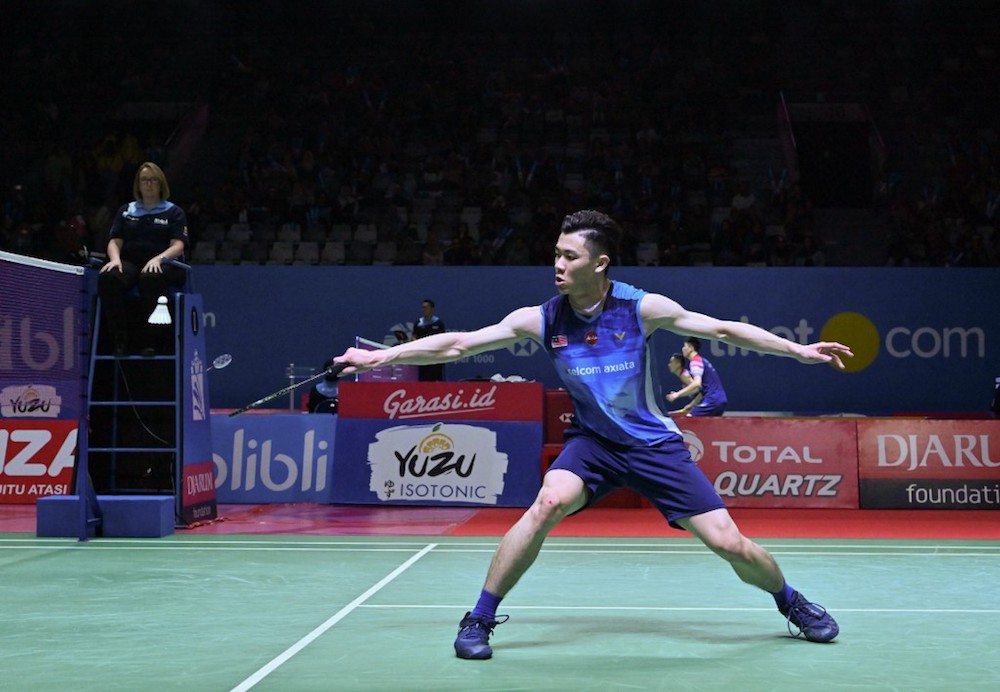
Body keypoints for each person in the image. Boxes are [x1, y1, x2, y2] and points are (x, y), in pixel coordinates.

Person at [333, 210, 853, 660]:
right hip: (593, 444)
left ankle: (791, 602)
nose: (557, 265)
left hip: (652, 445)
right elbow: (459, 346)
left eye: (569, 257)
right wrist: (380, 357)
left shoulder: (640, 308)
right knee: (545, 504)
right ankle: (479, 618)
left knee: (729, 544)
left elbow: (720, 328)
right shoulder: (541, 318)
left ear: (599, 264)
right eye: (555, 255)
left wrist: (799, 351)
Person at [98, 162, 188, 355]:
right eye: (144, 180)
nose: (149, 184)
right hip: (131, 262)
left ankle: (151, 339)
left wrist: (159, 259)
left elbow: (178, 245)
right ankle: (120, 337)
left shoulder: (173, 212)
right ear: (138, 185)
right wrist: (114, 260)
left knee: (150, 277)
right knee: (110, 277)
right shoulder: (126, 211)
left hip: (164, 263)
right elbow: (115, 241)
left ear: (161, 183)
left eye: (153, 180)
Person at [666, 337, 729, 416]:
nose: (683, 349)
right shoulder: (702, 360)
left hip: (712, 400)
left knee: (690, 420)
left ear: (691, 348)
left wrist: (677, 394)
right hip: (720, 400)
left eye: (685, 346)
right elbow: (702, 391)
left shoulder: (695, 362)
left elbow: (696, 384)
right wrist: (691, 405)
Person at [411, 299, 446, 381]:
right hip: (423, 356)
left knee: (437, 379)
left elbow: (443, 338)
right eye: (423, 308)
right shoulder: (418, 323)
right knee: (423, 379)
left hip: (436, 356)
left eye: (426, 308)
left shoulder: (438, 323)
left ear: (432, 309)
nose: (424, 310)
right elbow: (414, 336)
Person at [665, 352, 702, 417]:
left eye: (671, 362)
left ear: (678, 364)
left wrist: (691, 405)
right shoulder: (683, 375)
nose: (669, 365)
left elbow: (699, 390)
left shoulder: (685, 375)